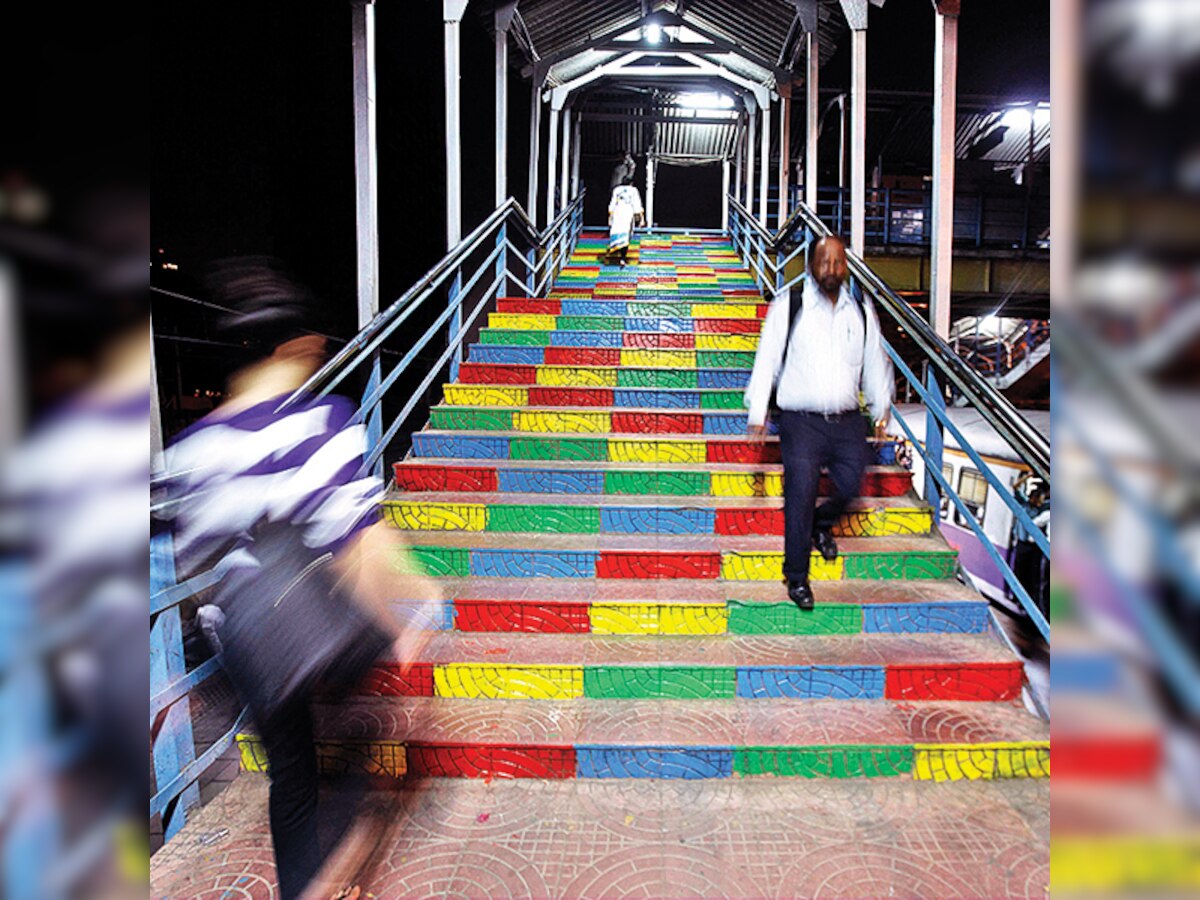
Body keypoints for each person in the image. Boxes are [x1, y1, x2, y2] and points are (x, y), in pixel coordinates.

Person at [160, 258, 441, 900]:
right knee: (369, 737)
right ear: (300, 346)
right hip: (310, 631)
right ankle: (340, 860)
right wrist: (414, 614)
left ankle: (300, 887)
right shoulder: (318, 425)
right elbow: (358, 543)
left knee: (292, 773)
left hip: (241, 642)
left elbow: (192, 560)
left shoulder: (192, 449)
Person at [743, 235, 894, 610]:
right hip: (801, 422)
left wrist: (881, 408)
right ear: (811, 265)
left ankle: (821, 524)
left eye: (838, 262)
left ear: (846, 267)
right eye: (824, 262)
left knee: (849, 485)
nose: (831, 269)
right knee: (800, 495)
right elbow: (767, 359)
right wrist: (758, 410)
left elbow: (875, 360)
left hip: (846, 420)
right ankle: (796, 575)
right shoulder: (790, 305)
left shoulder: (859, 309)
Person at [607, 174, 645, 267]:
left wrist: (609, 218)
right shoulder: (633, 190)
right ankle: (622, 258)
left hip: (618, 213)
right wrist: (641, 219)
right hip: (628, 213)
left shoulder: (616, 190)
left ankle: (619, 254)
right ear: (631, 183)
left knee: (617, 232)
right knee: (626, 235)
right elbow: (637, 204)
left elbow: (612, 204)